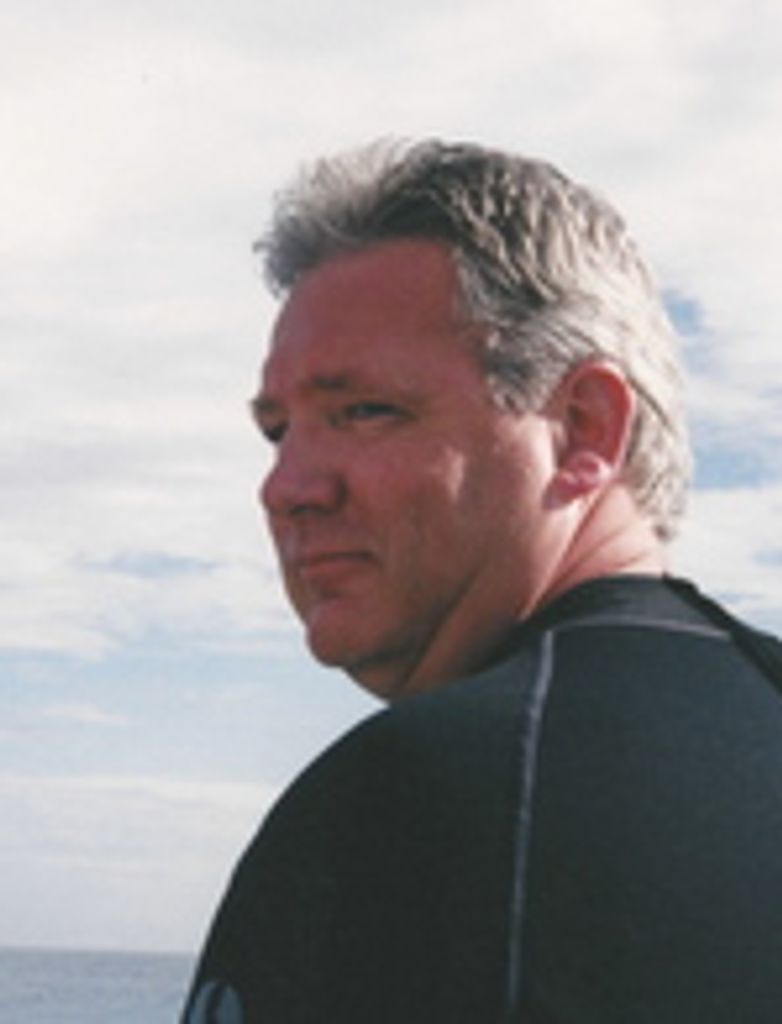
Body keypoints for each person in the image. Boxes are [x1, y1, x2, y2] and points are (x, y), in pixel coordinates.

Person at [181, 141, 782, 1023]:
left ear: (583, 429)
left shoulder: (409, 805)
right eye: (279, 431)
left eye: (366, 412)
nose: (287, 488)